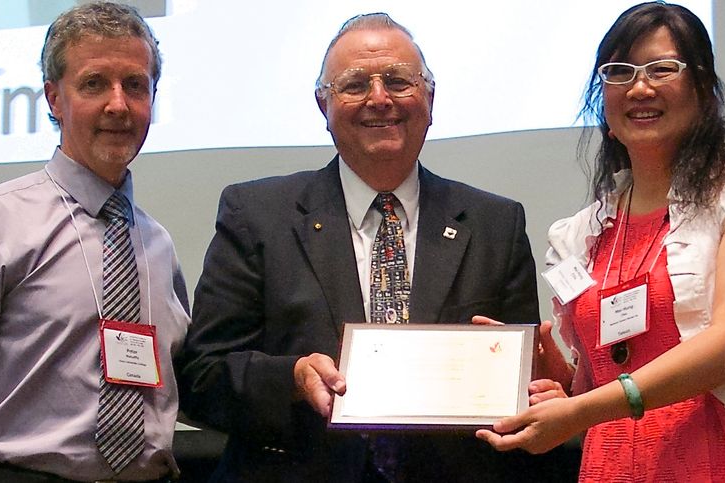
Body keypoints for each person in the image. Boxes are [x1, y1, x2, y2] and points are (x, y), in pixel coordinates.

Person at [177, 12, 551, 483]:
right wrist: (291, 378)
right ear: (323, 106)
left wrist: (531, 384)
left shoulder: (495, 223)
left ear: (429, 99)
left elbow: (523, 389)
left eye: (398, 81)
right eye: (355, 85)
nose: (380, 99)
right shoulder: (255, 215)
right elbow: (203, 376)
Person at [476, 2, 725, 480]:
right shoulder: (582, 234)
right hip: (614, 464)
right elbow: (598, 381)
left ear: (703, 87)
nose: (640, 87)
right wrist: (541, 370)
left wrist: (581, 411)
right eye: (619, 72)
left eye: (663, 69)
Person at [0, 2, 191, 481]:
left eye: (135, 85)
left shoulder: (156, 244)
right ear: (54, 99)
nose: (118, 104)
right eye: (94, 83)